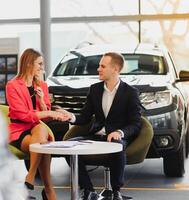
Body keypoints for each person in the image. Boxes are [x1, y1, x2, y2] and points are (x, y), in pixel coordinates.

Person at [59, 52, 142, 200]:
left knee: (117, 145)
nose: (98, 69)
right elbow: (84, 117)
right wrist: (70, 116)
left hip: (116, 138)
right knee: (69, 146)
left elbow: (135, 123)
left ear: (115, 69)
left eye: (102, 66)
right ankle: (89, 190)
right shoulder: (95, 89)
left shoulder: (130, 93)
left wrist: (120, 132)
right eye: (99, 66)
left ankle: (116, 192)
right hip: (96, 136)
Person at [6, 48, 64, 200]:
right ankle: (49, 189)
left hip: (38, 128)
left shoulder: (42, 85)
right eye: (39, 64)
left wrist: (42, 102)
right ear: (28, 63)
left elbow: (44, 116)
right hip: (20, 130)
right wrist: (49, 113)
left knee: (40, 130)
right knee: (43, 143)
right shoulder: (12, 85)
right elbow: (22, 115)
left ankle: (30, 175)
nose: (42, 67)